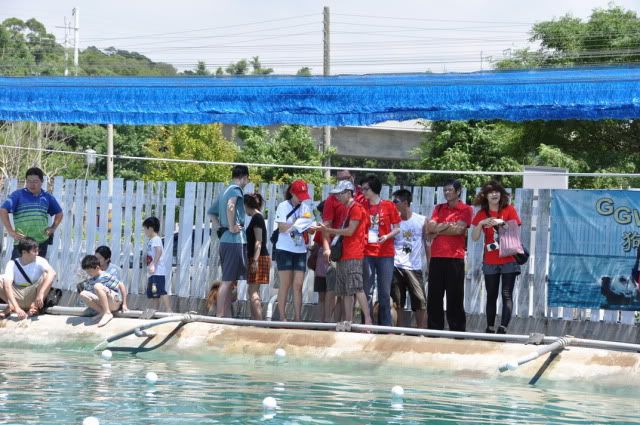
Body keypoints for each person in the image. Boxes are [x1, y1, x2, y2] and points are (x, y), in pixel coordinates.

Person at [471, 181, 522, 334]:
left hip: (509, 259)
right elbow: (474, 238)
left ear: (501, 194)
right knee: (491, 295)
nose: (494, 194)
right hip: (490, 261)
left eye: (497, 191)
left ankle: (503, 327)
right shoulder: (481, 213)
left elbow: (516, 230)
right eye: (490, 192)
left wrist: (503, 222)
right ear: (485, 196)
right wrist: (480, 224)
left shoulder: (509, 209)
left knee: (506, 294)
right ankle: (490, 327)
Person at [319, 180, 372, 325]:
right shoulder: (348, 209)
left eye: (340, 194)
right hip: (344, 254)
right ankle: (348, 320)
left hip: (353, 254)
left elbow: (350, 231)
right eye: (336, 194)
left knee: (357, 287)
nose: (337, 197)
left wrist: (329, 230)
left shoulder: (356, 208)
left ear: (349, 193)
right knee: (345, 291)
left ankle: (368, 319)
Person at [426, 179, 473, 332]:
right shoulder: (439, 208)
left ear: (458, 191)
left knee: (455, 296)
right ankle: (434, 330)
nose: (446, 192)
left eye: (450, 190)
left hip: (455, 257)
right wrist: (447, 226)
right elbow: (429, 227)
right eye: (445, 190)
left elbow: (459, 230)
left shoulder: (466, 209)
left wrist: (438, 229)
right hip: (437, 256)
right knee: (434, 296)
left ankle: (457, 331)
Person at [208, 165, 250, 318]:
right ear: (244, 177)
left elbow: (211, 212)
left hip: (225, 240)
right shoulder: (235, 189)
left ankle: (226, 315)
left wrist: (221, 228)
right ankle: (220, 315)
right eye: (247, 179)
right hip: (234, 240)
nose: (247, 182)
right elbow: (231, 206)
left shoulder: (225, 190)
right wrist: (231, 227)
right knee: (227, 281)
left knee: (230, 280)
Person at [362, 174, 401, 327]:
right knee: (367, 290)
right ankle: (367, 324)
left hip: (385, 253)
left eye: (366, 189)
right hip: (367, 252)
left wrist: (386, 236)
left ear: (374, 189)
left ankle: (386, 326)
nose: (363, 192)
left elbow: (397, 228)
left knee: (384, 292)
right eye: (362, 189)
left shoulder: (388, 205)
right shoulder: (361, 205)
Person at [0, 167, 63, 259]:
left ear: (42, 181)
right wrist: (11, 231)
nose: (31, 184)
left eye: (35, 181)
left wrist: (53, 228)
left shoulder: (47, 197)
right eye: (29, 181)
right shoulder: (18, 195)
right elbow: (3, 210)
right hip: (22, 242)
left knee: (38, 268)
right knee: (18, 267)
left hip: (41, 243)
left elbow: (59, 213)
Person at [274, 179, 312, 322]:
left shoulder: (305, 208)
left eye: (303, 195)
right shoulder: (283, 206)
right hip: (284, 249)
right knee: (285, 284)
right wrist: (297, 224)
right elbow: (281, 227)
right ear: (292, 193)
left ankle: (298, 318)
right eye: (299, 195)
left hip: (300, 250)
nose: (301, 199)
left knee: (298, 284)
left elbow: (309, 228)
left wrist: (310, 228)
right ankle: (282, 317)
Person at [391, 189, 429, 328]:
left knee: (420, 301)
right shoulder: (393, 221)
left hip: (414, 266)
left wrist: (430, 263)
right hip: (396, 265)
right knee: (398, 301)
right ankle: (399, 332)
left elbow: (427, 243)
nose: (393, 204)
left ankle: (421, 333)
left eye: (396, 201)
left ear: (405, 203)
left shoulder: (421, 220)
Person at [0, 237, 57, 320]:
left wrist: (41, 293)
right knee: (2, 279)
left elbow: (52, 273)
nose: (37, 253)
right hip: (17, 295)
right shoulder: (12, 263)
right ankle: (12, 306)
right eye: (34, 251)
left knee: (47, 275)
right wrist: (17, 308)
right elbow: (7, 286)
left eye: (37, 251)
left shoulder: (40, 260)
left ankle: (34, 308)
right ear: (24, 252)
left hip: (34, 296)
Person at [79, 254, 128, 327]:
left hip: (114, 302)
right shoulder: (91, 280)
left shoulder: (106, 275)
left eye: (90, 271)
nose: (88, 274)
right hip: (105, 304)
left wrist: (124, 304)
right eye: (87, 272)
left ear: (97, 267)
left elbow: (121, 285)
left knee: (97, 286)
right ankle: (103, 312)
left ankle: (107, 313)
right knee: (83, 294)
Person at [244, 192, 269, 320]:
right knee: (253, 290)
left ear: (247, 205)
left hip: (258, 258)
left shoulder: (257, 218)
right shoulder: (257, 217)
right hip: (257, 257)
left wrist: (255, 261)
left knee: (252, 291)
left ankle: (259, 322)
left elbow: (258, 241)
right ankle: (255, 320)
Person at [143, 216, 172, 312]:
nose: (144, 231)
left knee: (161, 290)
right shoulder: (151, 240)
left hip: (158, 271)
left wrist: (153, 264)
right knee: (154, 292)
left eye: (145, 229)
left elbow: (158, 251)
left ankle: (169, 309)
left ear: (150, 228)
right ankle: (155, 310)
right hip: (153, 272)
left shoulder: (156, 239)